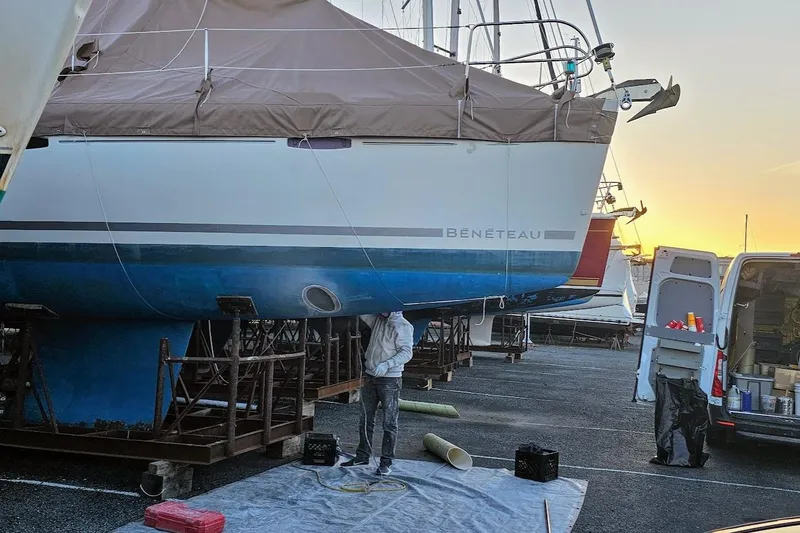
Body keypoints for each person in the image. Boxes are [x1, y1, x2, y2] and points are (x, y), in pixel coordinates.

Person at [342, 311, 413, 476]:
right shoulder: (379, 320)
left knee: (389, 423)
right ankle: (362, 455)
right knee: (365, 419)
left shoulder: (402, 325)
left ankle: (386, 463)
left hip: (390, 378)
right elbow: (364, 313)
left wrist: (388, 365)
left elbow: (407, 352)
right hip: (371, 374)